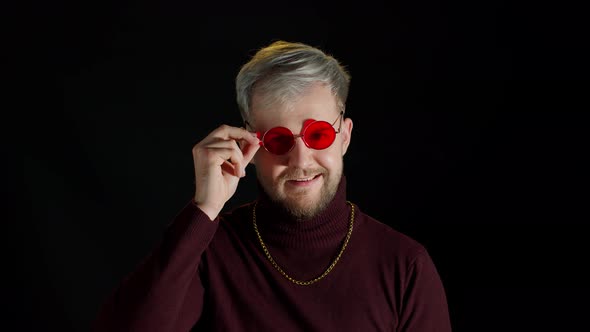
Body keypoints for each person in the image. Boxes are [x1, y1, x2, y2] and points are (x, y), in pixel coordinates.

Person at [93, 40, 452, 332]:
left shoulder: (405, 265)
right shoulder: (207, 251)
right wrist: (204, 208)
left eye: (318, 135)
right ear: (248, 144)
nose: (300, 160)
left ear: (344, 137)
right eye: (278, 140)